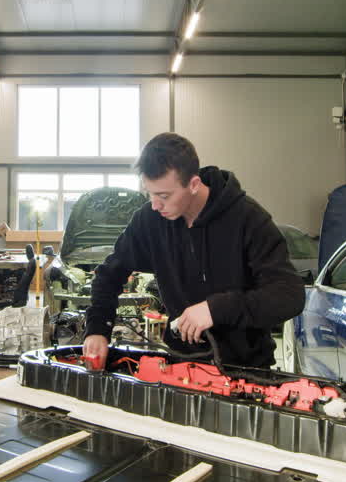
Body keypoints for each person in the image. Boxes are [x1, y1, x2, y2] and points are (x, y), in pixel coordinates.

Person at [83, 133, 305, 369]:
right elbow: (108, 275)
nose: (156, 205)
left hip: (246, 370)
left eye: (164, 196)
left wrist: (215, 309)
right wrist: (98, 328)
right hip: (181, 365)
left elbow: (289, 296)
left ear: (194, 185)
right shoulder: (150, 220)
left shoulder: (248, 219)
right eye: (150, 193)